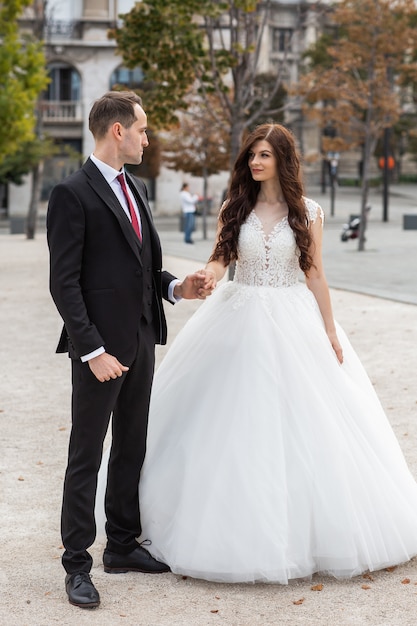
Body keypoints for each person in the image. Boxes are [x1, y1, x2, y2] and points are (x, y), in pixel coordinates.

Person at [124, 123, 417, 583]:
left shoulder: (309, 211)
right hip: (237, 313)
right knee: (228, 416)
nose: (255, 162)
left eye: (264, 155)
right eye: (252, 155)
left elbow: (316, 273)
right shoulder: (233, 208)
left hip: (293, 316)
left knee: (309, 422)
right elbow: (221, 258)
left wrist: (329, 329)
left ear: (283, 159)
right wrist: (208, 276)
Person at [47, 90, 212, 609]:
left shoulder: (136, 187)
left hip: (142, 339)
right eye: (142, 129)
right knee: (86, 455)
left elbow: (143, 267)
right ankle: (78, 564)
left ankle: (121, 545)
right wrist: (90, 349)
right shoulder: (72, 193)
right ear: (117, 131)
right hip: (99, 351)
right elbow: (64, 283)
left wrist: (177, 289)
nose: (147, 137)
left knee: (132, 448)